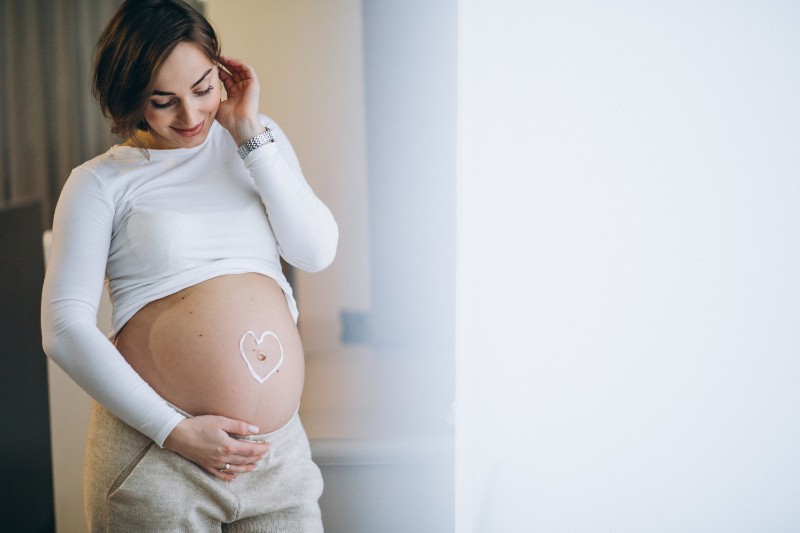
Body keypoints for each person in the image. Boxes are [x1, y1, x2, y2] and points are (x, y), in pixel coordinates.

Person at [41, 0, 337, 530]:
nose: (191, 116)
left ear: (222, 70)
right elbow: (64, 329)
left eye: (203, 88)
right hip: (160, 459)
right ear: (131, 99)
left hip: (276, 456)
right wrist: (174, 430)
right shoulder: (99, 183)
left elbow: (314, 251)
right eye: (163, 101)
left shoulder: (256, 140)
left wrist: (247, 131)